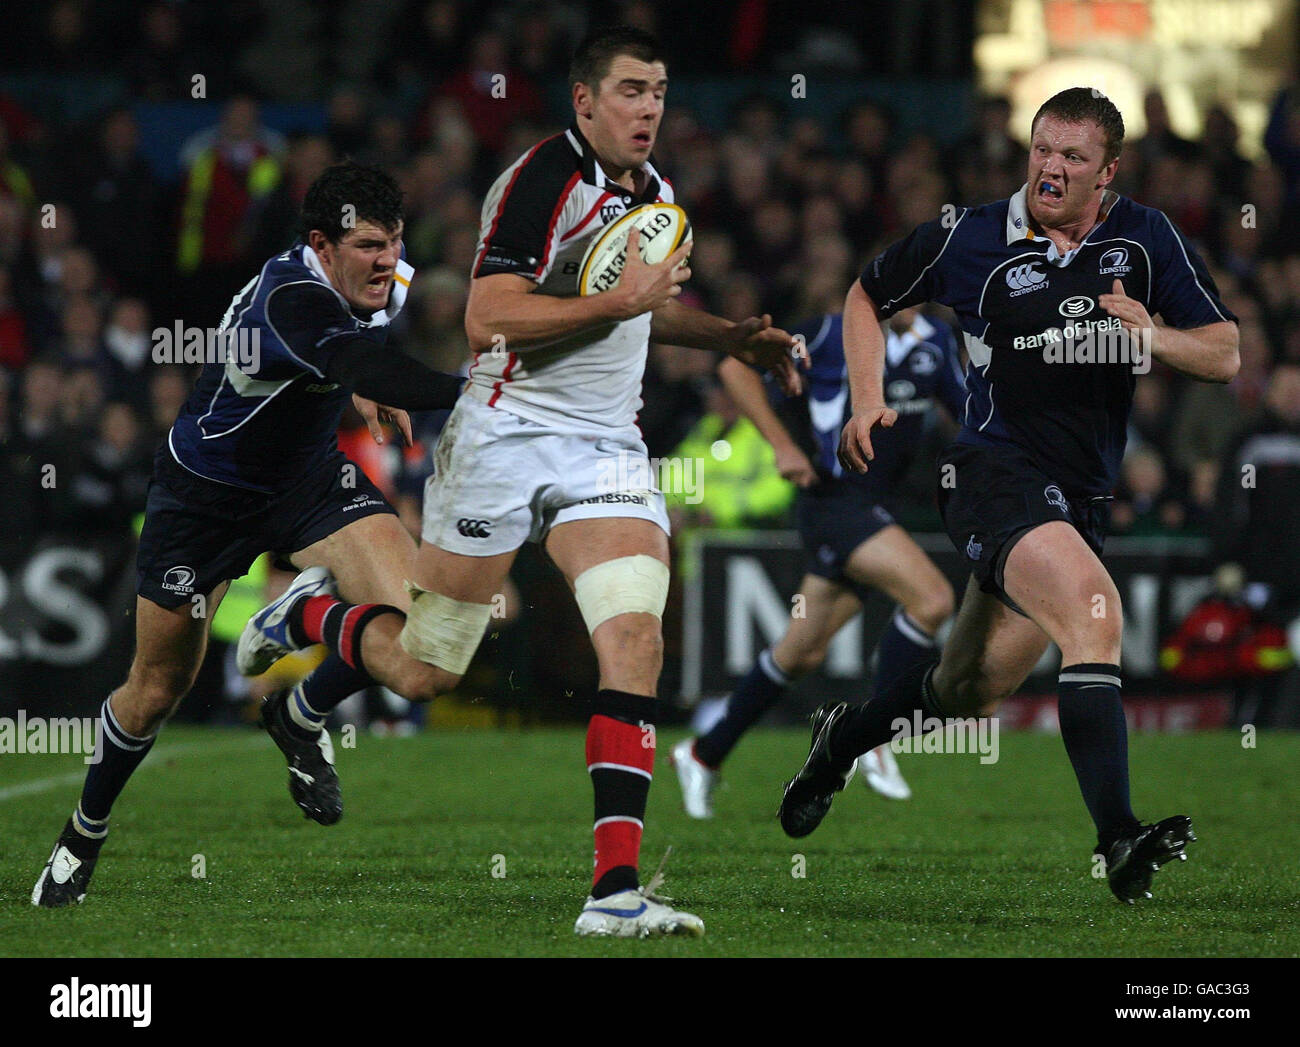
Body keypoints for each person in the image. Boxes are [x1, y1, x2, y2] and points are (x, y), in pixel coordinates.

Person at [237, 25, 802, 938]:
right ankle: (307, 623)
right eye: (629, 89)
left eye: (658, 89)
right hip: (502, 435)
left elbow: (640, 316)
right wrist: (622, 301)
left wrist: (730, 335)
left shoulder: (653, 194)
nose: (648, 106)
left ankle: (613, 893)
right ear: (584, 101)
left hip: (606, 450)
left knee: (635, 642)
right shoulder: (540, 181)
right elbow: (485, 318)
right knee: (427, 670)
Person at [777, 87, 1239, 904]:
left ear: (1108, 172)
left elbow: (1225, 352)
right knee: (1094, 613)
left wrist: (1153, 335)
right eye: (1042, 149)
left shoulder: (1143, 237)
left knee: (966, 690)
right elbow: (864, 293)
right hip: (991, 475)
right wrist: (866, 392)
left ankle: (841, 738)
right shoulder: (971, 234)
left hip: (1080, 500)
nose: (1050, 168)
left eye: (1073, 157)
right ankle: (1119, 835)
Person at [32, 162, 465, 907]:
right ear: (321, 245)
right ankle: (83, 831)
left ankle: (300, 704)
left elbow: (359, 350)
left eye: (393, 241)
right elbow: (351, 352)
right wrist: (476, 392)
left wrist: (364, 390)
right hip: (204, 496)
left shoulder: (375, 276)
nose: (388, 260)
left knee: (424, 649)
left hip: (306, 482)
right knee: (156, 690)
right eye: (369, 245)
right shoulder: (290, 298)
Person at [673, 306, 964, 816]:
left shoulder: (935, 340)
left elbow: (968, 412)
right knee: (933, 598)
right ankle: (872, 738)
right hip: (834, 501)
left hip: (876, 507)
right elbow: (734, 367)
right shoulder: (830, 332)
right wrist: (783, 446)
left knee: (799, 652)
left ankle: (703, 752)